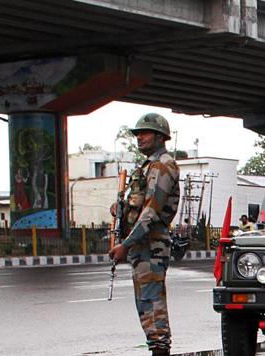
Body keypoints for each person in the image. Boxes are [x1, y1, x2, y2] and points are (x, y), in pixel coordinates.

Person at [109, 113, 180, 356]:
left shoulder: (162, 165)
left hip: (151, 245)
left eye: (145, 133)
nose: (139, 137)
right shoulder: (149, 165)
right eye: (137, 133)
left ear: (160, 136)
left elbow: (151, 211)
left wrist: (125, 245)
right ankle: (157, 348)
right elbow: (140, 205)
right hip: (142, 245)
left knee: (152, 303)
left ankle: (160, 350)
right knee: (145, 303)